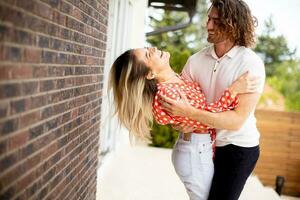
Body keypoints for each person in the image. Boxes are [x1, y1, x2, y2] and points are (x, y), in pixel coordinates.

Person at [109, 46, 260, 200]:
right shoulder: (169, 94)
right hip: (195, 153)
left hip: (197, 148)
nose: (154, 49)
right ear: (150, 74)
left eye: (148, 48)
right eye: (148, 54)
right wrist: (233, 90)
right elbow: (209, 116)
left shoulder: (176, 80)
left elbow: (198, 115)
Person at [159, 0, 266, 200]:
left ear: (234, 24)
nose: (208, 25)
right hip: (203, 145)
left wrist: (188, 114)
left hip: (238, 148)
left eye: (216, 21)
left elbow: (235, 121)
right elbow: (179, 113)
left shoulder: (250, 64)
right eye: (209, 18)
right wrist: (180, 122)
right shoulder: (195, 61)